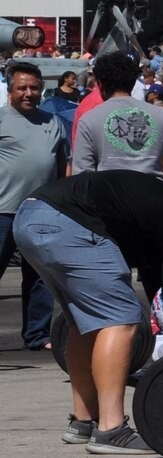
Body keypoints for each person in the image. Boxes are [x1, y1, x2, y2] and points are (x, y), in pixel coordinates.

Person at [11, 171, 163, 453]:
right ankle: (112, 430)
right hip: (69, 221)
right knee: (122, 320)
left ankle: (84, 421)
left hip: (30, 216)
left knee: (84, 322)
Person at [0, 60, 66, 350]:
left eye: (34, 88)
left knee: (40, 277)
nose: (29, 93)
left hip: (41, 211)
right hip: (3, 211)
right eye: (22, 87)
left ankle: (37, 336)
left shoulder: (53, 122)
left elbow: (64, 167)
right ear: (9, 90)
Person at [71, 50, 163, 187]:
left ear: (100, 83)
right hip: (153, 198)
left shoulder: (89, 119)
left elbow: (82, 174)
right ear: (133, 82)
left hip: (109, 201)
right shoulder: (162, 115)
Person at [40, 69, 81, 136]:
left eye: (75, 79)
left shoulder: (77, 92)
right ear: (66, 79)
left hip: (70, 119)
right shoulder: (56, 91)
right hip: (58, 119)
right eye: (72, 79)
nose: (74, 81)